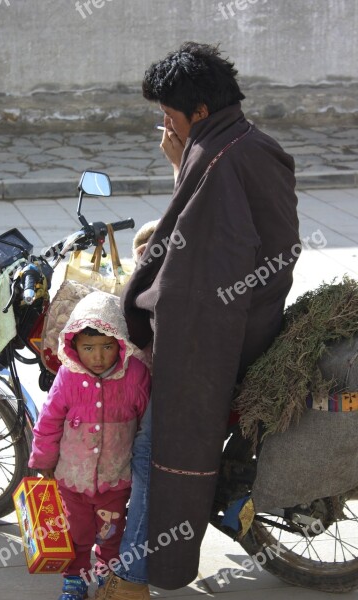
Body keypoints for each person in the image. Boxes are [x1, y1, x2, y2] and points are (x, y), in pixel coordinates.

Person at [95, 41, 300, 598]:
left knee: (154, 447)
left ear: (200, 111)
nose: (164, 124)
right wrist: (178, 160)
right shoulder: (246, 141)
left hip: (221, 337)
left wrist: (148, 312)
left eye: (169, 115)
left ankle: (136, 578)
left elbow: (199, 279)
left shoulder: (216, 157)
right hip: (258, 315)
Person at [28, 291, 151, 600]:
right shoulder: (68, 377)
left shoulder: (135, 376)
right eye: (88, 348)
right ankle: (74, 578)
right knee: (76, 534)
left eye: (107, 347)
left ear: (120, 343)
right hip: (72, 479)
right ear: (74, 346)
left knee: (112, 535)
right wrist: (42, 461)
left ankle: (107, 577)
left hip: (115, 479)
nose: (97, 357)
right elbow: (49, 420)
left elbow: (147, 422)